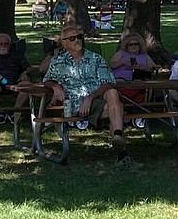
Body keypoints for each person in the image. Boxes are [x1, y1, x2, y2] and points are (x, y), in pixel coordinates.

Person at [41, 25, 130, 165]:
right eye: (72, 38)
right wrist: (55, 86)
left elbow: (108, 82)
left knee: (112, 93)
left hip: (95, 102)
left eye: (79, 37)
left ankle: (118, 136)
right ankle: (122, 154)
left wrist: (90, 98)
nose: (77, 40)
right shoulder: (58, 62)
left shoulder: (96, 59)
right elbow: (46, 80)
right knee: (118, 108)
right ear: (64, 43)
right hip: (73, 105)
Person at [109, 33, 159, 128]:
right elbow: (111, 65)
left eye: (136, 44)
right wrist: (122, 62)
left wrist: (142, 67)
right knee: (118, 84)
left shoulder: (145, 56)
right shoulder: (121, 54)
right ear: (126, 46)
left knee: (142, 85)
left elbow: (154, 68)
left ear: (140, 45)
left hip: (138, 83)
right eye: (130, 44)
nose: (134, 46)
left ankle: (133, 111)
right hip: (121, 82)